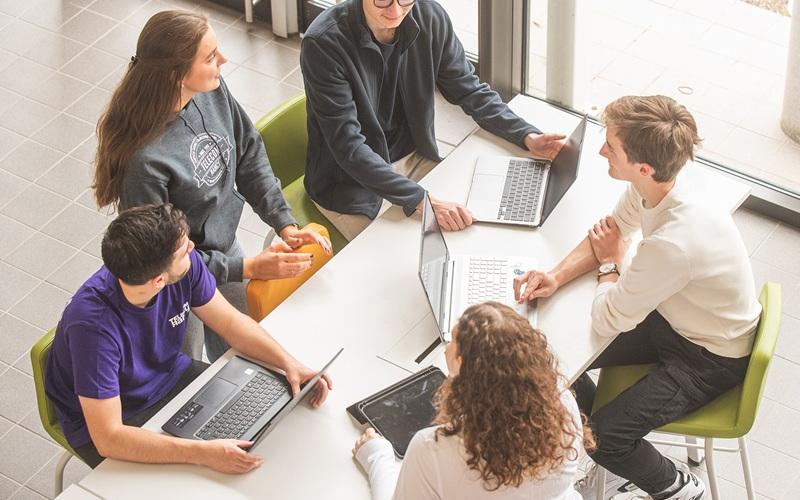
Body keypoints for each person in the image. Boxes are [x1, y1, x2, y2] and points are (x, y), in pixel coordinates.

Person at [513, 95, 761, 500]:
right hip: (678, 323)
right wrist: (556, 277)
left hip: (707, 360)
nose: (600, 150)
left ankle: (677, 487)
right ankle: (598, 447)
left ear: (642, 166)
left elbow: (609, 316)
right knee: (544, 355)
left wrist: (613, 264)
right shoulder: (658, 185)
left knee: (607, 437)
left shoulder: (673, 243)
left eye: (611, 146)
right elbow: (610, 232)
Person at [92, 10, 331, 362]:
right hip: (173, 280)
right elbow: (164, 257)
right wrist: (247, 268)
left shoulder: (210, 90)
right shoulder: (143, 163)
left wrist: (284, 222)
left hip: (224, 252)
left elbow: (248, 151)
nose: (224, 60)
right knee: (184, 369)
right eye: (210, 57)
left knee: (239, 356)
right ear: (176, 75)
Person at [45, 204, 333, 472]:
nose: (193, 249)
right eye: (184, 251)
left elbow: (231, 323)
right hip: (117, 418)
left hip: (171, 375)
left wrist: (289, 363)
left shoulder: (184, 265)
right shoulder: (93, 328)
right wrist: (202, 452)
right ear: (158, 281)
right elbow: (109, 437)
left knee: (271, 430)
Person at [300, 0, 566, 241]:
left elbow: (468, 89)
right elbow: (350, 150)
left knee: (470, 230)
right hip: (350, 187)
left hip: (414, 158)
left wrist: (526, 135)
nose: (395, 11)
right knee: (404, 257)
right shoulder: (323, 43)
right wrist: (423, 201)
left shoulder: (429, 16)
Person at [352, 302, 589, 500]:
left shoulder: (433, 450)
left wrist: (376, 456)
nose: (445, 351)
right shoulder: (563, 404)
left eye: (451, 343)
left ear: (464, 367)